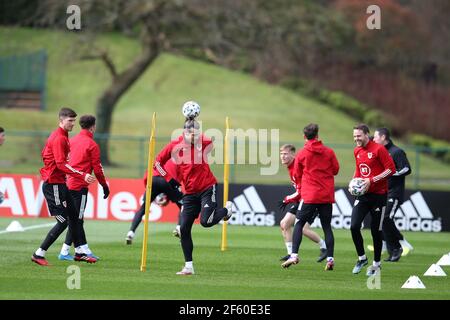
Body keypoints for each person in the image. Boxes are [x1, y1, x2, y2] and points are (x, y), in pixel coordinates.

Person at [155, 119, 233, 275]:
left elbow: (210, 140)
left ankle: (226, 211)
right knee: (184, 229)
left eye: (195, 133)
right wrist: (169, 180)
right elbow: (157, 163)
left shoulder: (203, 143)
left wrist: (195, 123)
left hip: (207, 188)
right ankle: (188, 266)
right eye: (189, 132)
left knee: (206, 222)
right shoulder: (174, 146)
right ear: (184, 132)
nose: (193, 136)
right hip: (189, 193)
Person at [32, 108, 97, 266]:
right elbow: (61, 164)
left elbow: (45, 153)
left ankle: (80, 252)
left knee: (75, 217)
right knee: (64, 221)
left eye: (74, 120)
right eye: (70, 120)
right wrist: (81, 175)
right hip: (53, 184)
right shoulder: (60, 138)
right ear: (61, 121)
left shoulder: (63, 136)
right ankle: (39, 253)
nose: (73, 123)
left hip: (61, 183)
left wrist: (49, 164)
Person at [281, 124, 339, 271]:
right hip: (326, 195)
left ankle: (293, 255)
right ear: (317, 135)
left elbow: (298, 174)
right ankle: (330, 259)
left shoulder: (302, 153)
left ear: (304, 136)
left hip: (310, 195)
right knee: (327, 227)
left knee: (299, 224)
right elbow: (336, 170)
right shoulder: (329, 152)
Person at [57, 115, 110, 261]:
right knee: (77, 220)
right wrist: (104, 185)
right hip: (79, 186)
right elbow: (98, 169)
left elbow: (64, 162)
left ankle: (69, 251)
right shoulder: (91, 144)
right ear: (93, 126)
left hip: (67, 184)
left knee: (75, 219)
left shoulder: (71, 141)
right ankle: (81, 251)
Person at [350, 124, 396, 276]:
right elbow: (358, 170)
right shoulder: (357, 150)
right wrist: (354, 183)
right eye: (355, 136)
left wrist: (372, 180)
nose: (356, 138)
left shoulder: (378, 149)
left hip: (379, 196)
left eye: (359, 136)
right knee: (354, 226)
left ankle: (376, 264)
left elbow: (391, 169)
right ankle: (362, 258)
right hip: (363, 196)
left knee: (376, 231)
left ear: (366, 135)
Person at [277, 144, 327, 263]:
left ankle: (324, 247)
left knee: (303, 229)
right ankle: (290, 254)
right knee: (284, 224)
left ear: (293, 155)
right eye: (281, 154)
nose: (282, 156)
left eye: (285, 154)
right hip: (301, 200)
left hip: (310, 200)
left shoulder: (296, 167)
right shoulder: (290, 167)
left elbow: (302, 190)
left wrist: (286, 199)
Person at [373, 128, 413, 261]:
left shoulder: (397, 152)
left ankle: (398, 246)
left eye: (375, 137)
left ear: (383, 137)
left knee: (386, 218)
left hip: (394, 193)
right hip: (382, 193)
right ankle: (392, 250)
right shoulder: (380, 152)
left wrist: (391, 173)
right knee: (381, 220)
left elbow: (406, 169)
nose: (373, 139)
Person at [125, 159, 183, 245]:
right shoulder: (179, 161)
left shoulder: (160, 159)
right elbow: (177, 181)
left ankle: (130, 233)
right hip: (167, 180)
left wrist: (151, 192)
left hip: (153, 180)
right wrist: (170, 194)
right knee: (184, 205)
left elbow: (146, 177)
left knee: (143, 208)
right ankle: (178, 228)